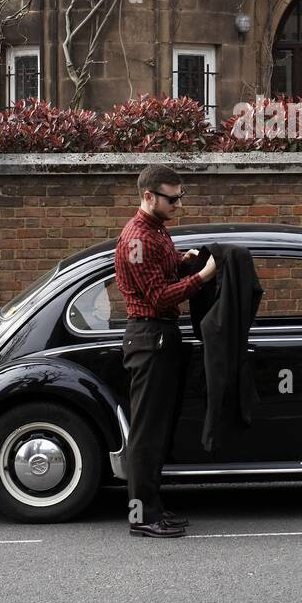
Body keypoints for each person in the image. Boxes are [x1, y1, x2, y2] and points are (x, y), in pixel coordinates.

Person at [114, 164, 216, 539]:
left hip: (160, 337)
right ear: (148, 196)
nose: (178, 205)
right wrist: (202, 276)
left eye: (180, 197)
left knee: (160, 431)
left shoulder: (156, 232)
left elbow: (163, 272)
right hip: (149, 335)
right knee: (147, 433)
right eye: (171, 199)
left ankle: (154, 508)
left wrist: (183, 261)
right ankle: (141, 516)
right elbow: (156, 297)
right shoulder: (138, 238)